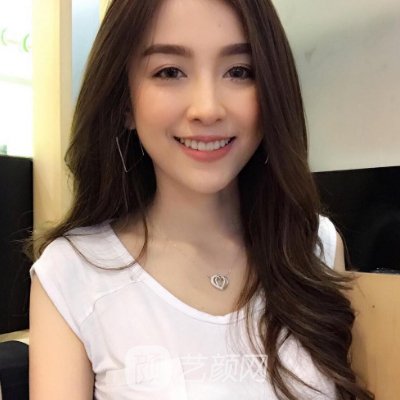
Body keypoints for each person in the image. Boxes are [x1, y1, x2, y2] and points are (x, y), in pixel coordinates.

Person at [29, 0, 374, 399]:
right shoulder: (72, 274)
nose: (207, 109)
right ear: (125, 103)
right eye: (169, 72)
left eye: (239, 71)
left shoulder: (315, 247)